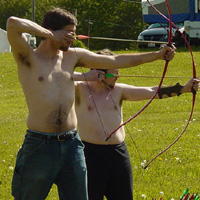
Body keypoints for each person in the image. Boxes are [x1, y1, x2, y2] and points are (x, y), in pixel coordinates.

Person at [6, 7, 176, 200]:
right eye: (69, 32)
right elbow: (13, 23)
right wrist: (51, 34)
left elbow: (115, 60)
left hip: (71, 144)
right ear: (52, 30)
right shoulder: (29, 57)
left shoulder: (73, 56)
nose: (73, 38)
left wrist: (158, 55)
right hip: (39, 145)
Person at [74, 49, 199, 200]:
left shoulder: (119, 91)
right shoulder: (79, 89)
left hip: (118, 155)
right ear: (100, 74)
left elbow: (151, 91)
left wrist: (183, 89)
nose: (118, 76)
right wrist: (84, 76)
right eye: (114, 73)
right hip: (90, 154)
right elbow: (57, 77)